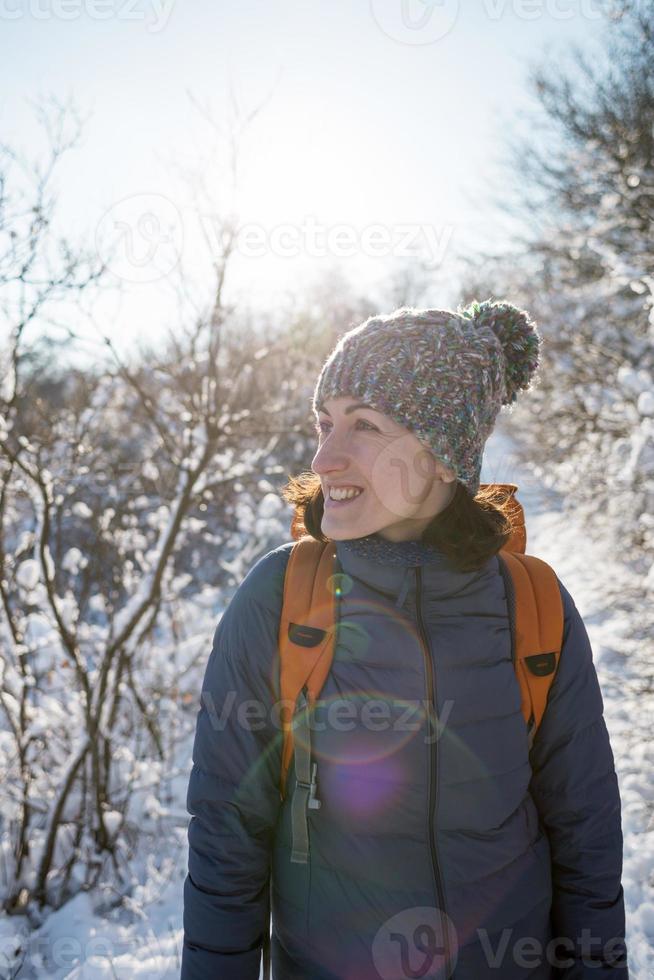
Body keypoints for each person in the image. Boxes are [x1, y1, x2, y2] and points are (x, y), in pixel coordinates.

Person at [181, 301, 629, 979]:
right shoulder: (280, 599)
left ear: (445, 456)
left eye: (364, 425)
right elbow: (225, 837)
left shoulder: (534, 606)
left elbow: (585, 836)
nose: (324, 457)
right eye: (324, 423)